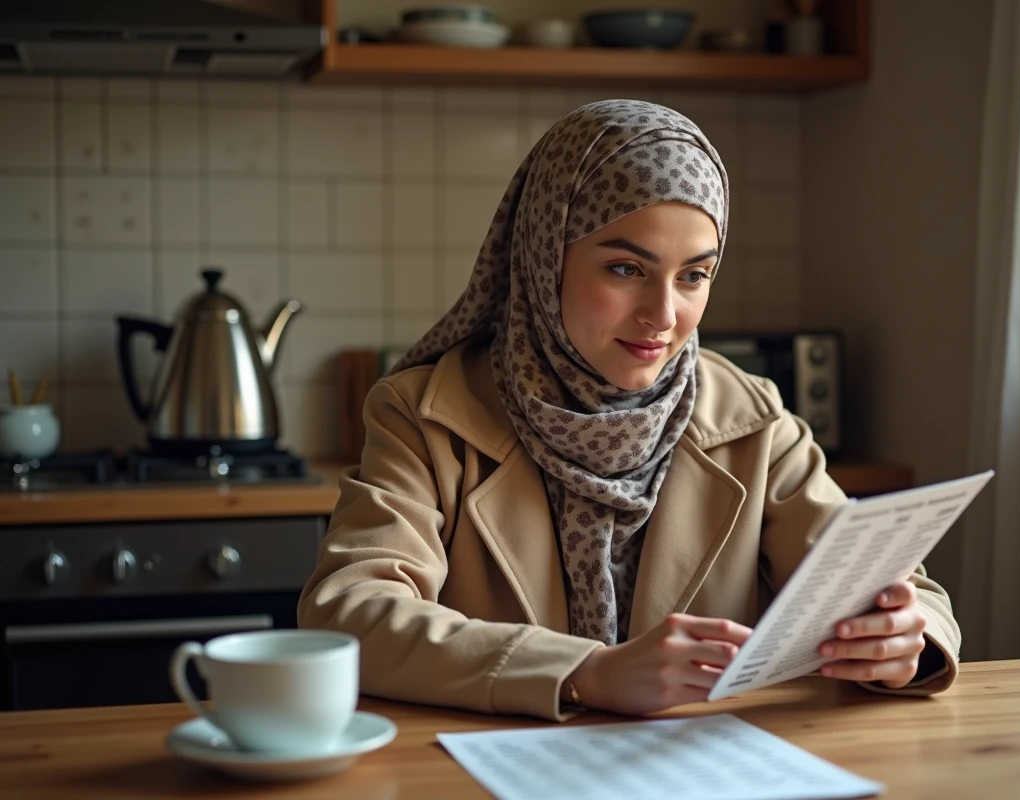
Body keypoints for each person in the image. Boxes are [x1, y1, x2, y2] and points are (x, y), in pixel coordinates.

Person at [298, 100, 959, 721]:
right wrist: (586, 671)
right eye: (624, 269)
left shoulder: (753, 420)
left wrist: (906, 638)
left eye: (694, 275)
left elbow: (901, 591)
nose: (663, 316)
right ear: (542, 257)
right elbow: (350, 613)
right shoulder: (422, 415)